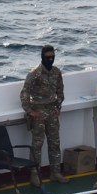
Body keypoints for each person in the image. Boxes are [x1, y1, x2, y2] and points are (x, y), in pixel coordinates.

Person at [20, 45, 67, 186]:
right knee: (37, 145)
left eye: (52, 57)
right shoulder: (34, 73)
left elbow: (60, 91)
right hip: (39, 113)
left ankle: (55, 172)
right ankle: (35, 174)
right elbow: (24, 93)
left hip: (52, 112)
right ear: (42, 57)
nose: (50, 59)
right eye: (48, 57)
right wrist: (30, 111)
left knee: (55, 143)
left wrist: (58, 106)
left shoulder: (56, 72)